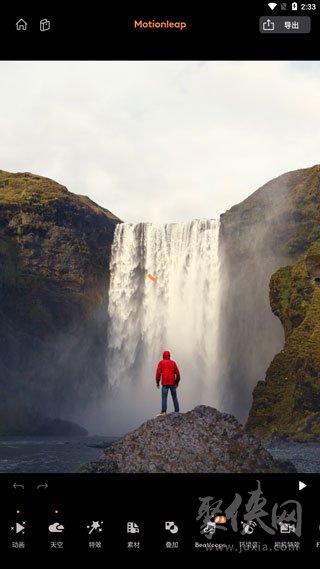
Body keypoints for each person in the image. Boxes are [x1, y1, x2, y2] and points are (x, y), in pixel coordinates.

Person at [156, 350, 180, 416]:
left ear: (163, 356)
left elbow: (158, 373)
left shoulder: (161, 363)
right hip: (172, 383)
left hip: (165, 383)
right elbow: (178, 374)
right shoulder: (173, 363)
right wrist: (177, 382)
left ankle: (163, 412)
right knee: (174, 397)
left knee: (164, 397)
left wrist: (157, 382)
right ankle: (177, 411)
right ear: (169, 356)